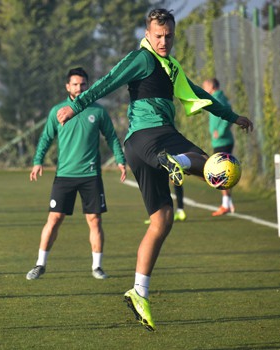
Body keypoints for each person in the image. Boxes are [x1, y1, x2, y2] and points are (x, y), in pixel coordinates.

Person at [56, 8, 253, 331]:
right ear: (147, 34)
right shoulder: (141, 59)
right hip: (152, 138)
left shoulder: (170, 66)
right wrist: (76, 105)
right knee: (208, 162)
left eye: (168, 36)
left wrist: (232, 116)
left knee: (162, 219)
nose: (163, 41)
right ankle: (179, 162)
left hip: (140, 149)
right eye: (158, 35)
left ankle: (139, 291)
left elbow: (199, 94)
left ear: (173, 34)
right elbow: (108, 82)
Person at [26, 67, 127, 281]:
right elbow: (46, 138)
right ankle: (40, 264)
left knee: (95, 220)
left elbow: (111, 137)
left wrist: (120, 160)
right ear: (67, 86)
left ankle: (97, 267)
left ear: (88, 85)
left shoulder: (98, 111)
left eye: (82, 84)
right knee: (54, 218)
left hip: (90, 175)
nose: (79, 88)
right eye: (75, 84)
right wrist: (37, 161)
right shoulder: (58, 111)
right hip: (64, 175)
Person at [203, 78, 236, 216]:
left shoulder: (219, 99)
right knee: (224, 172)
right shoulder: (218, 97)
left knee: (220, 172)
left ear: (211, 86)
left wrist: (220, 132)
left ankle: (225, 204)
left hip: (222, 141)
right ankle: (228, 202)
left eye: (205, 86)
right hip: (222, 142)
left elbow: (228, 115)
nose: (204, 89)